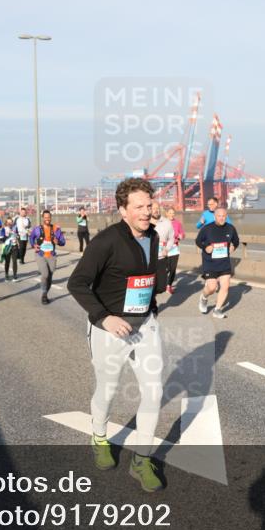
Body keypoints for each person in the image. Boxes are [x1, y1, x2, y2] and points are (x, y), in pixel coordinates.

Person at [67, 178, 168, 492]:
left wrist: (151, 309)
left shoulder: (153, 236)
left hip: (145, 326)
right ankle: (99, 436)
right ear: (123, 210)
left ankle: (142, 460)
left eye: (148, 205)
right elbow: (77, 283)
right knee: (108, 391)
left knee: (154, 392)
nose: (146, 211)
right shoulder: (106, 241)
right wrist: (104, 318)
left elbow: (145, 280)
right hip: (109, 329)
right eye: (138, 207)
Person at [195, 206, 240, 319]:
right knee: (212, 287)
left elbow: (236, 241)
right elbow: (198, 241)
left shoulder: (231, 228)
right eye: (219, 216)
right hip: (210, 262)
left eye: (224, 216)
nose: (221, 218)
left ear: (226, 216)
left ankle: (217, 309)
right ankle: (204, 298)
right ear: (215, 216)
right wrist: (206, 247)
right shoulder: (207, 228)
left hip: (224, 262)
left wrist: (233, 247)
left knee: (225, 286)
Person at [29, 210, 66, 305]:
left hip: (51, 256)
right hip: (40, 255)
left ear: (51, 217)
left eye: (48, 217)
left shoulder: (56, 229)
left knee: (50, 275)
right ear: (43, 218)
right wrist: (34, 245)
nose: (47, 219)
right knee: (45, 274)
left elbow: (63, 241)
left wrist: (59, 242)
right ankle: (44, 294)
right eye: (45, 217)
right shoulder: (37, 229)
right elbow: (31, 237)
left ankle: (45, 293)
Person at [152, 203, 177, 295]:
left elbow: (171, 238)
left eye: (157, 208)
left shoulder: (166, 222)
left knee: (161, 286)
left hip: (161, 257)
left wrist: (167, 249)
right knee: (150, 284)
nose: (156, 210)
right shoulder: (144, 221)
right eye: (153, 208)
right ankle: (151, 304)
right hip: (148, 259)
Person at [164, 207, 184, 294]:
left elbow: (182, 233)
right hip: (165, 248)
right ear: (166, 214)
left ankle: (169, 286)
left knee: (173, 268)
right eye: (170, 213)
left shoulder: (177, 223)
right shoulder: (162, 223)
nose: (172, 214)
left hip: (174, 248)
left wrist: (181, 236)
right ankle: (161, 282)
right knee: (166, 268)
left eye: (173, 213)